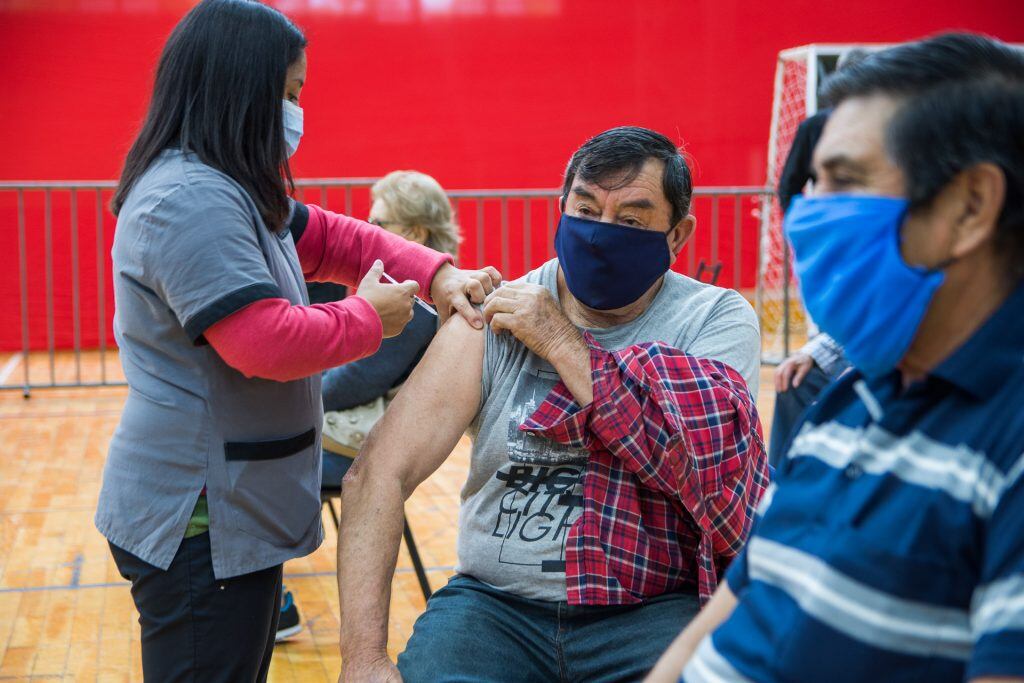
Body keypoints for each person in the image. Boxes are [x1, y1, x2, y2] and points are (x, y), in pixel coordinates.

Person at [93, 2, 500, 680]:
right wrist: (368, 319)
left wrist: (435, 272)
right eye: (287, 94)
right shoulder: (188, 200)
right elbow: (263, 342)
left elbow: (340, 238)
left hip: (233, 510)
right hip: (198, 519)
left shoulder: (233, 189)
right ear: (238, 88)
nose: (294, 112)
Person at [649, 33, 1024, 683]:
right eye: (812, 182)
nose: (808, 215)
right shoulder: (842, 405)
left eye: (845, 181)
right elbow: (732, 604)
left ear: (970, 207)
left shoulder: (1008, 446)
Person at [336, 126, 770, 682]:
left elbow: (708, 464)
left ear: (677, 235)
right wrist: (363, 660)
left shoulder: (714, 319)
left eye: (631, 221)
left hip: (651, 609)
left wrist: (561, 341)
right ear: (560, 210)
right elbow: (378, 473)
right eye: (585, 209)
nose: (600, 234)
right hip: (494, 609)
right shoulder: (494, 316)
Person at [276, 170, 461, 641]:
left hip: (364, 445)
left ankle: (272, 605)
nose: (368, 228)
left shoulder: (413, 305)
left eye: (380, 222)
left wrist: (291, 366)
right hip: (357, 432)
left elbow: (347, 386)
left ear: (415, 233)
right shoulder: (412, 292)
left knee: (259, 457)